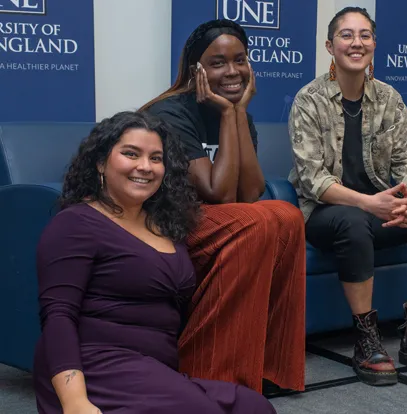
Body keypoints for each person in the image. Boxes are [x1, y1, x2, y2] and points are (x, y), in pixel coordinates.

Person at [33, 111, 275, 413]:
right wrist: (75, 402)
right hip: (94, 365)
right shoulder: (75, 224)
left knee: (254, 407)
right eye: (131, 154)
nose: (145, 167)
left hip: (154, 369)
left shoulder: (166, 225)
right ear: (100, 162)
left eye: (156, 158)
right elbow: (58, 316)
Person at [287, 6, 407, 386]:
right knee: (353, 219)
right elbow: (312, 179)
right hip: (328, 215)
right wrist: (367, 202)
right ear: (330, 45)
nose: (356, 42)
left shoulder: (389, 98)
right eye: (346, 35)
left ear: (374, 44)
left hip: (379, 211)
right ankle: (366, 338)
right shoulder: (308, 100)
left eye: (364, 35)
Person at [140, 19, 306, 395]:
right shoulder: (171, 113)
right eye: (217, 63)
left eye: (240, 60)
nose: (232, 71)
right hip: (169, 221)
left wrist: (235, 114)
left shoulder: (239, 112)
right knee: (255, 223)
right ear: (195, 69)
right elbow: (216, 192)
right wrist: (230, 114)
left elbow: (250, 192)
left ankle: (272, 368)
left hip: (216, 221)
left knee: (288, 216)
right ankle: (209, 375)